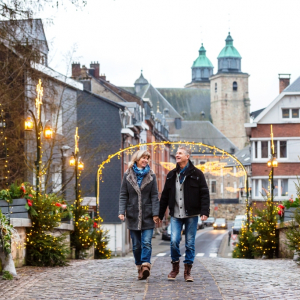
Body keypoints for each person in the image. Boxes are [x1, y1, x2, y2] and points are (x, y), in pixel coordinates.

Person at [159, 145, 210, 282]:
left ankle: (187, 271)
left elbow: (204, 194)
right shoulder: (171, 175)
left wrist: (204, 211)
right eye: (176, 153)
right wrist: (159, 214)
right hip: (175, 214)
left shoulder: (197, 174)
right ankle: (175, 267)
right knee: (174, 241)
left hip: (191, 215)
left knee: (189, 243)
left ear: (187, 156)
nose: (177, 155)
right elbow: (164, 196)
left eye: (180, 153)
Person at [119, 149, 160, 280]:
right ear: (137, 159)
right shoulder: (127, 175)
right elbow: (123, 195)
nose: (146, 160)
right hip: (133, 215)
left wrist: (156, 213)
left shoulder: (151, 176)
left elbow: (154, 196)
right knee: (136, 245)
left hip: (148, 215)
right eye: (143, 158)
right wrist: (121, 211)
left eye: (147, 158)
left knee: (147, 242)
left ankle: (146, 265)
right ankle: (139, 267)